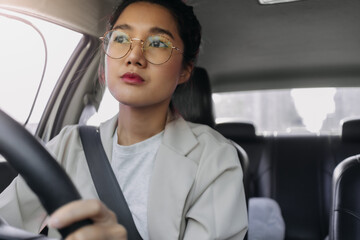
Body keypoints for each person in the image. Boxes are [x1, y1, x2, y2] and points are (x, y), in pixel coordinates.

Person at [0, 0, 248, 239]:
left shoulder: (214, 157)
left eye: (158, 43)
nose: (134, 56)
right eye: (120, 38)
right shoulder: (69, 143)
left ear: (184, 70)